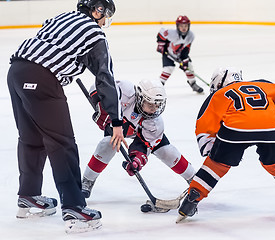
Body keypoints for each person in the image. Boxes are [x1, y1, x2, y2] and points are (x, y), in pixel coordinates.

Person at [7, 0, 127, 233]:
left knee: (31, 138)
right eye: (105, 15)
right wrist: (116, 120)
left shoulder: (62, 17)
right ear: (97, 10)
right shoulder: (94, 32)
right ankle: (74, 207)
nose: (105, 22)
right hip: (42, 78)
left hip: (16, 72)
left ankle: (28, 196)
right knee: (62, 143)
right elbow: (105, 77)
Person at [177, 67, 275, 222]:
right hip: (272, 125)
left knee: (217, 164)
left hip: (236, 128)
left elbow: (204, 124)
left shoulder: (218, 94)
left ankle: (191, 200)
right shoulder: (262, 84)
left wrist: (212, 150)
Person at [81, 79, 195, 210]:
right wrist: (102, 109)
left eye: (157, 105)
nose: (154, 109)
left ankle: (194, 180)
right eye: (150, 104)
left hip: (140, 132)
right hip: (119, 126)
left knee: (167, 151)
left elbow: (144, 145)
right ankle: (88, 180)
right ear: (140, 98)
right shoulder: (125, 90)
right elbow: (97, 86)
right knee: (108, 144)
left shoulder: (155, 123)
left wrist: (136, 161)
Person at [156, 15, 204, 94]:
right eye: (181, 26)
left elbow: (186, 49)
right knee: (168, 68)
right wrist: (161, 45)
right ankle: (158, 86)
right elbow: (161, 33)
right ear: (177, 26)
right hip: (168, 53)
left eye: (186, 26)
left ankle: (193, 83)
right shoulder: (171, 33)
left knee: (189, 66)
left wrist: (184, 61)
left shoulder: (191, 36)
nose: (184, 28)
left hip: (180, 54)